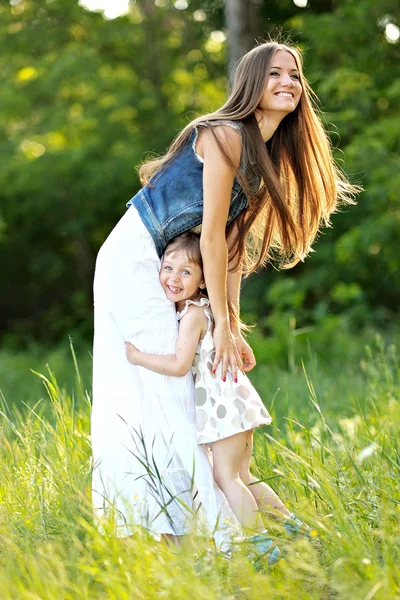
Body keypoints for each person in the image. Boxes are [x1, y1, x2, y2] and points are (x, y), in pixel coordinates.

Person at [91, 40, 358, 553]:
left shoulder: (262, 156)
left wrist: (230, 327)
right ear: (251, 83)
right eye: (275, 73)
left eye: (295, 75)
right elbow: (209, 235)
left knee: (186, 387)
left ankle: (255, 535)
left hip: (176, 263)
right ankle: (197, 537)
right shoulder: (223, 135)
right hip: (141, 258)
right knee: (165, 385)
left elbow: (231, 255)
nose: (288, 82)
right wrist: (222, 324)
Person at [125, 232, 310, 562]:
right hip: (233, 401)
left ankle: (264, 548)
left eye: (186, 272)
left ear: (202, 280)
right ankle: (296, 530)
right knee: (243, 475)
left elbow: (180, 364)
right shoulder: (203, 309)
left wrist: (138, 357)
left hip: (222, 406)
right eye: (168, 268)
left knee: (224, 477)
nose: (173, 278)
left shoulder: (194, 314)